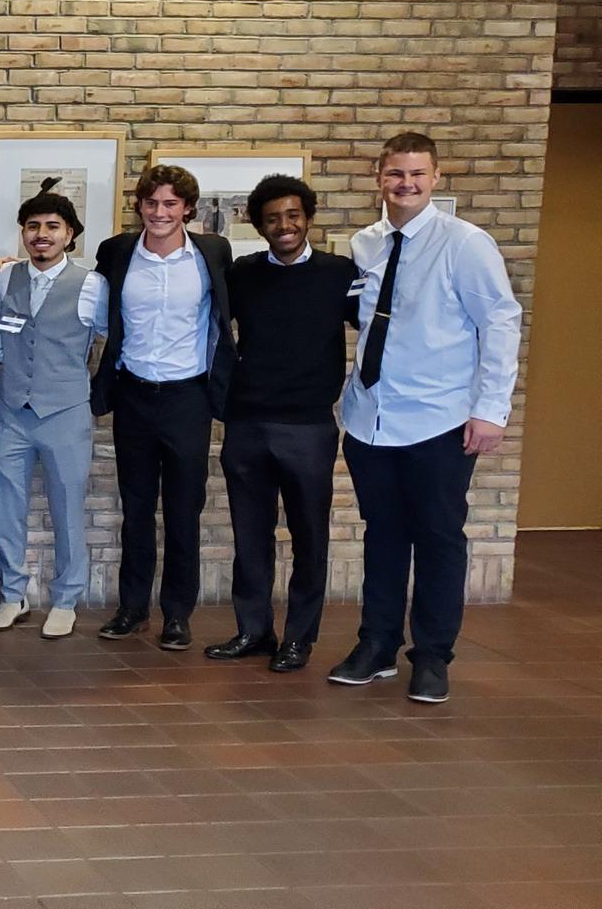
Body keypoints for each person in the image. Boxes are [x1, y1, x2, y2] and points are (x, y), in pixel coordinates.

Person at [329, 132, 521, 704]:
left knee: (438, 539)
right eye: (395, 174)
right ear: (378, 176)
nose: (405, 184)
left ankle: (433, 656)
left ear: (436, 177)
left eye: (417, 174)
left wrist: (491, 410)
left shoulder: (466, 244)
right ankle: (377, 646)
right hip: (370, 419)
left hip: (440, 420)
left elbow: (501, 325)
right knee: (382, 536)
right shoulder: (364, 244)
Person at [206, 176, 358, 673]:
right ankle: (253, 629)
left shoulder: (340, 273)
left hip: (309, 426)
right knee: (250, 536)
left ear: (308, 217)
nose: (284, 226)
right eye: (272, 218)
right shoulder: (243, 274)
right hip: (247, 423)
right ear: (258, 223)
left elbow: (383, 326)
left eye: (293, 215)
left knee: (309, 535)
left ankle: (299, 637)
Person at [89, 164, 235, 651]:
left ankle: (177, 614)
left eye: (171, 204)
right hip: (133, 392)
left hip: (187, 397)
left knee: (183, 509)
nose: (160, 212)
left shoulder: (212, 253)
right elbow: (92, 303)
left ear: (187, 208)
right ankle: (131, 608)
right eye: (151, 203)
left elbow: (225, 318)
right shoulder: (117, 252)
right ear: (140, 206)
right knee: (135, 508)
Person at [0, 184, 107, 639]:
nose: (41, 234)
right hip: (12, 410)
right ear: (23, 233)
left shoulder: (91, 285)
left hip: (66, 413)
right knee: (7, 504)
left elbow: (107, 341)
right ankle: (13, 594)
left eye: (52, 227)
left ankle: (65, 598)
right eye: (33, 226)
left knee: (67, 506)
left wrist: (84, 387)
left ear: (70, 234)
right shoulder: (5, 279)